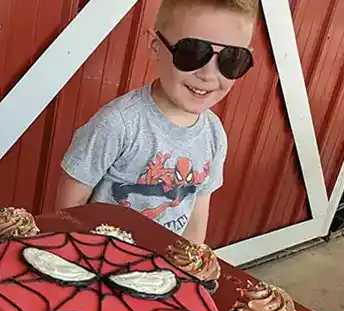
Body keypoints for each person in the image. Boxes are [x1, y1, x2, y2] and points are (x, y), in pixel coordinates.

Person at [56, 0, 258, 244]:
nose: (207, 74)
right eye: (191, 53)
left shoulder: (213, 135)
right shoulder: (118, 124)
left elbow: (197, 214)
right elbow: (70, 209)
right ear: (155, 45)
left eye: (231, 59)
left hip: (164, 268)